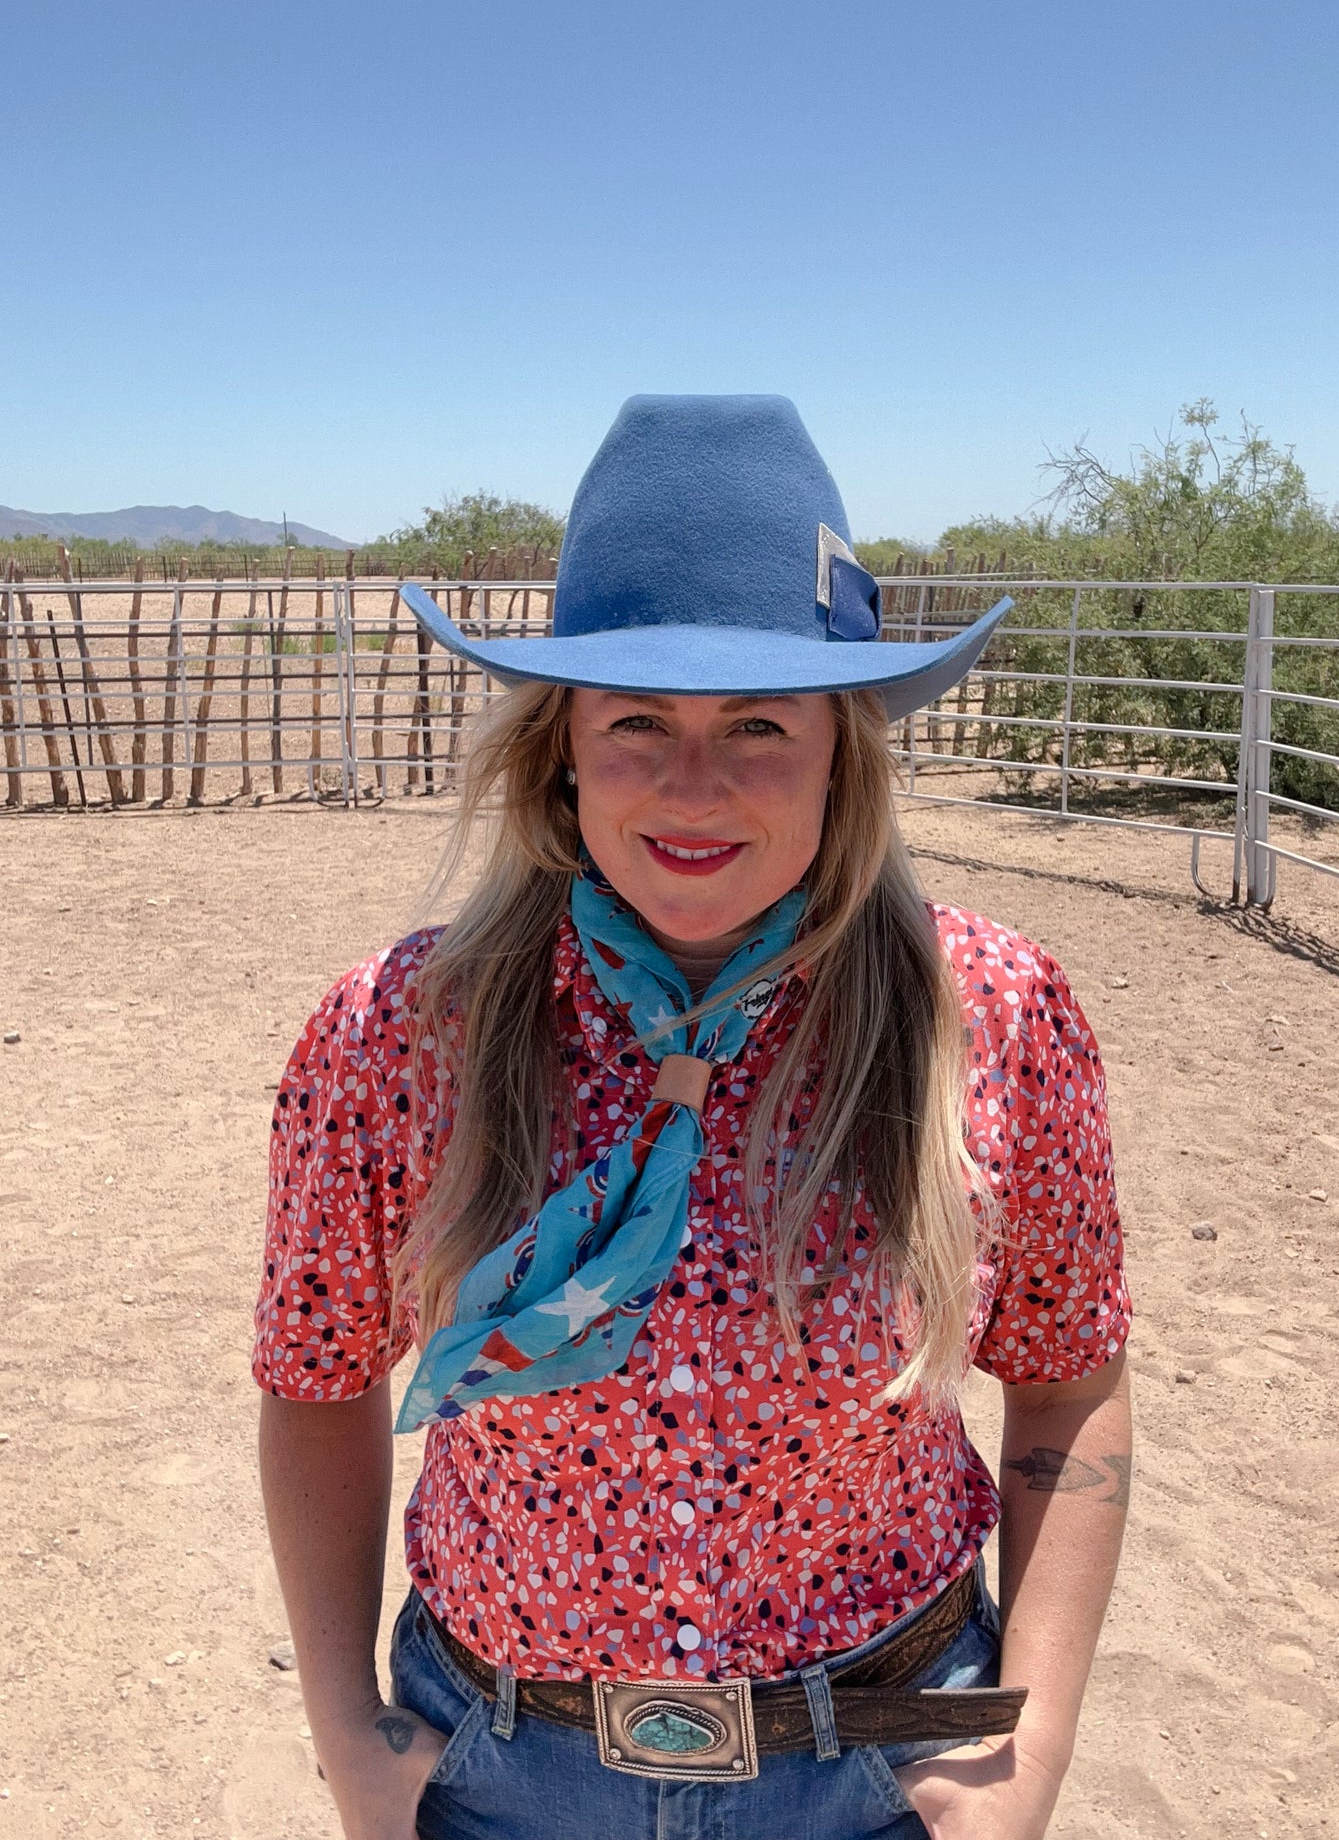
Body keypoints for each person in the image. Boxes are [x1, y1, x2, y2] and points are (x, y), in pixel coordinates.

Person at [254, 395, 1132, 1840]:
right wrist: (351, 1736)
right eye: (638, 722)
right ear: (561, 752)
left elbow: (1067, 1382)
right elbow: (314, 1374)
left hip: (879, 1772)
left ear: (843, 750)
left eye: (761, 726)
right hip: (501, 1772)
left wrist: (1018, 1767)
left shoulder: (991, 1014)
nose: (693, 784)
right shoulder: (400, 1031)